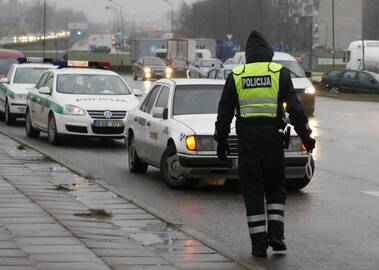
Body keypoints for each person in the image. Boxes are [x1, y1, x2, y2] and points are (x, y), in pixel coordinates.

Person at [214, 30, 316, 257]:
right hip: (273, 141)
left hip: (247, 144)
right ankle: (277, 235)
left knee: (252, 193)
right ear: (268, 54)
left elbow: (224, 113)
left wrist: (220, 141)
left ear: (248, 56)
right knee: (275, 188)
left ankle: (259, 245)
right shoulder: (279, 73)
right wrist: (306, 136)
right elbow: (296, 110)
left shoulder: (236, 75)